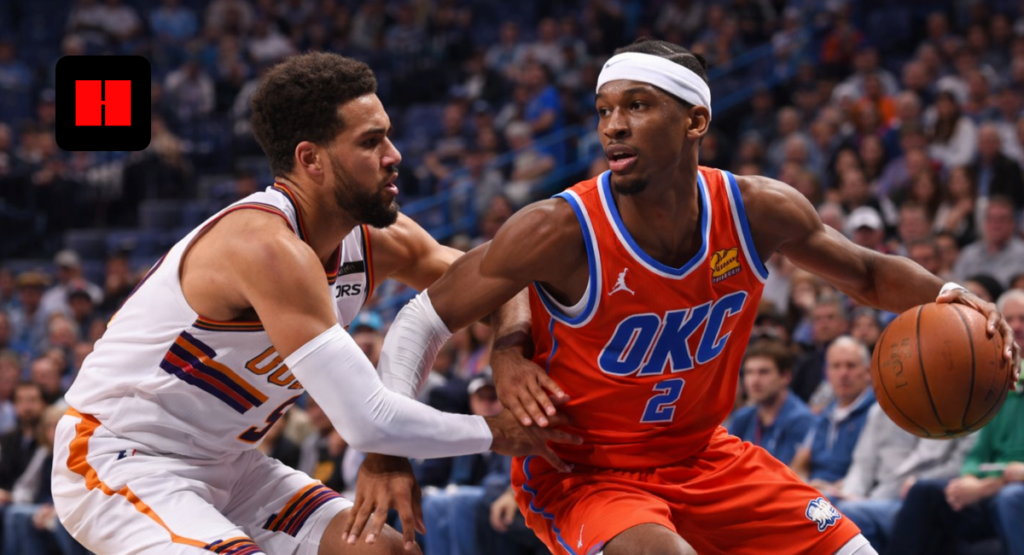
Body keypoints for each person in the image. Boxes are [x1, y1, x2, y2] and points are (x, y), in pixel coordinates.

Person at [376, 38, 1020, 555]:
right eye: (604, 110)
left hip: (704, 455)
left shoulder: (757, 209)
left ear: (696, 120)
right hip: (585, 473)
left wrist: (955, 295)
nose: (614, 127)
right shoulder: (559, 227)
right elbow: (418, 322)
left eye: (637, 106)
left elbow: (871, 274)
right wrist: (387, 450)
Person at [50, 52, 577, 555]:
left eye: (388, 136)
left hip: (230, 461)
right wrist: (499, 433)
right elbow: (367, 421)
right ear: (311, 160)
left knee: (381, 550)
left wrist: (509, 350)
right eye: (371, 142)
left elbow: (499, 277)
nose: (394, 156)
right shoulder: (264, 246)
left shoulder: (376, 239)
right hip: (121, 457)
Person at [833, 405, 975, 551]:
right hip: (877, 494)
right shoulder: (882, 408)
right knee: (825, 504)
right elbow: (863, 463)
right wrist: (851, 493)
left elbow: (962, 465)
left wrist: (919, 480)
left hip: (912, 501)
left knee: (850, 513)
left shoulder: (963, 407)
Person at [790, 337, 876, 494]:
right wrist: (803, 485)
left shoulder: (877, 412)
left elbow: (872, 475)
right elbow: (799, 463)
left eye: (851, 365)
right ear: (827, 373)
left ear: (868, 372)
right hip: (815, 494)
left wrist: (829, 490)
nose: (843, 373)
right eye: (836, 366)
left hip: (849, 497)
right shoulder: (824, 414)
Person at [727, 339, 814, 466]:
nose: (755, 381)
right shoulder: (742, 417)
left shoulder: (801, 420)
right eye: (749, 372)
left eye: (763, 372)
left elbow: (788, 473)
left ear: (785, 377)